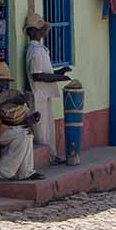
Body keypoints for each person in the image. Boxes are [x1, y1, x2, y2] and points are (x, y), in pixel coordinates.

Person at [25, 14, 71, 164]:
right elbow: (37, 75)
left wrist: (59, 73)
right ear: (32, 31)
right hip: (37, 94)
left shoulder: (39, 49)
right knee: (41, 130)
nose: (42, 32)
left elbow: (45, 73)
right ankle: (46, 158)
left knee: (48, 127)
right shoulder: (35, 50)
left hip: (43, 94)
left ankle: (51, 155)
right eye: (39, 29)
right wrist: (59, 78)